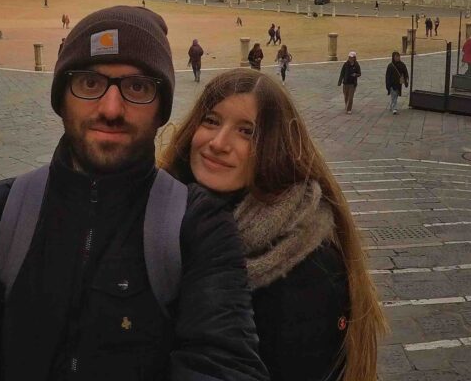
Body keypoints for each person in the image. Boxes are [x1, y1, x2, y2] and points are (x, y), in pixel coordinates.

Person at [0, 7, 268, 380]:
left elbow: (224, 364)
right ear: (61, 100)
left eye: (137, 87)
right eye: (89, 83)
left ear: (161, 110)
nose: (110, 109)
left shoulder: (199, 225)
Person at [159, 69, 386, 381]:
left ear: (274, 147)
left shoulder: (307, 261)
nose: (219, 142)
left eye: (247, 132)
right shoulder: (159, 211)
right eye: (211, 121)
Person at [385, 51, 409, 115]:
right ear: (393, 57)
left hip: (399, 83)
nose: (397, 58)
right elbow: (387, 76)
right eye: (396, 57)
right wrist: (387, 85)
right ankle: (394, 108)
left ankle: (392, 105)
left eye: (398, 56)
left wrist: (406, 81)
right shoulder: (390, 66)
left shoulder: (402, 65)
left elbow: (405, 73)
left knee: (396, 95)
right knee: (394, 95)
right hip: (392, 84)